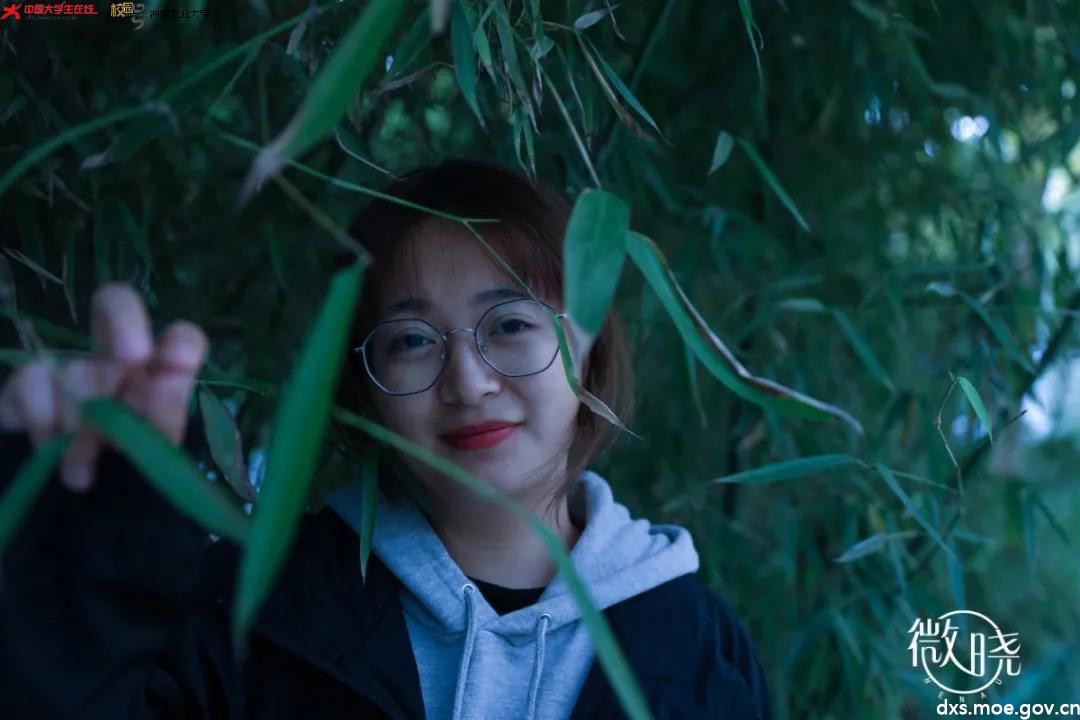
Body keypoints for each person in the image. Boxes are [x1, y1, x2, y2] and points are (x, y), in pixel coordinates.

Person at [0, 158, 771, 719]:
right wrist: (79, 519)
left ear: (588, 350)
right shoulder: (256, 612)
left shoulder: (702, 649)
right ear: (361, 386)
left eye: (510, 325)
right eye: (411, 340)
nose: (468, 381)